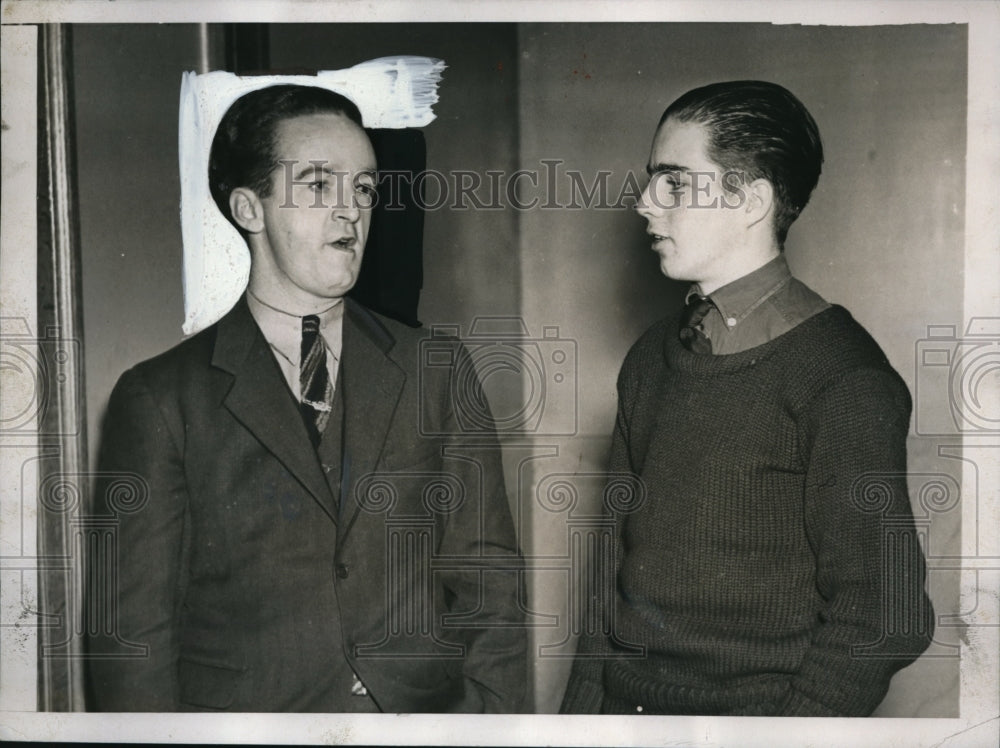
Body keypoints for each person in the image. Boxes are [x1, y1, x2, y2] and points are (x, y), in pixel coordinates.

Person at [86, 84, 526, 712]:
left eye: (365, 189)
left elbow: (491, 585)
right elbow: (132, 641)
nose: (351, 211)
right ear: (249, 208)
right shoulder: (161, 399)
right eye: (320, 185)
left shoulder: (438, 369)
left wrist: (484, 724)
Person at [560, 80, 934, 716]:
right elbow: (608, 584)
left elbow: (885, 614)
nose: (645, 203)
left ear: (751, 199)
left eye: (674, 182)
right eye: (651, 180)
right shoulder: (650, 360)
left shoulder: (843, 378)